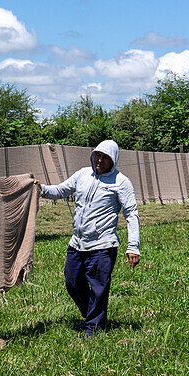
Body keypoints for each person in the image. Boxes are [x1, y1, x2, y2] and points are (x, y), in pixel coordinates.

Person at [38, 140, 140, 336]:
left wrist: (133, 246)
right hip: (77, 243)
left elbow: (131, 214)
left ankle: (94, 327)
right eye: (97, 156)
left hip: (103, 245)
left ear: (114, 160)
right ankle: (93, 316)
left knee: (99, 289)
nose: (100, 160)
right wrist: (40, 189)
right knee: (72, 282)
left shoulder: (121, 182)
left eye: (105, 157)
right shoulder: (83, 174)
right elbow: (60, 190)